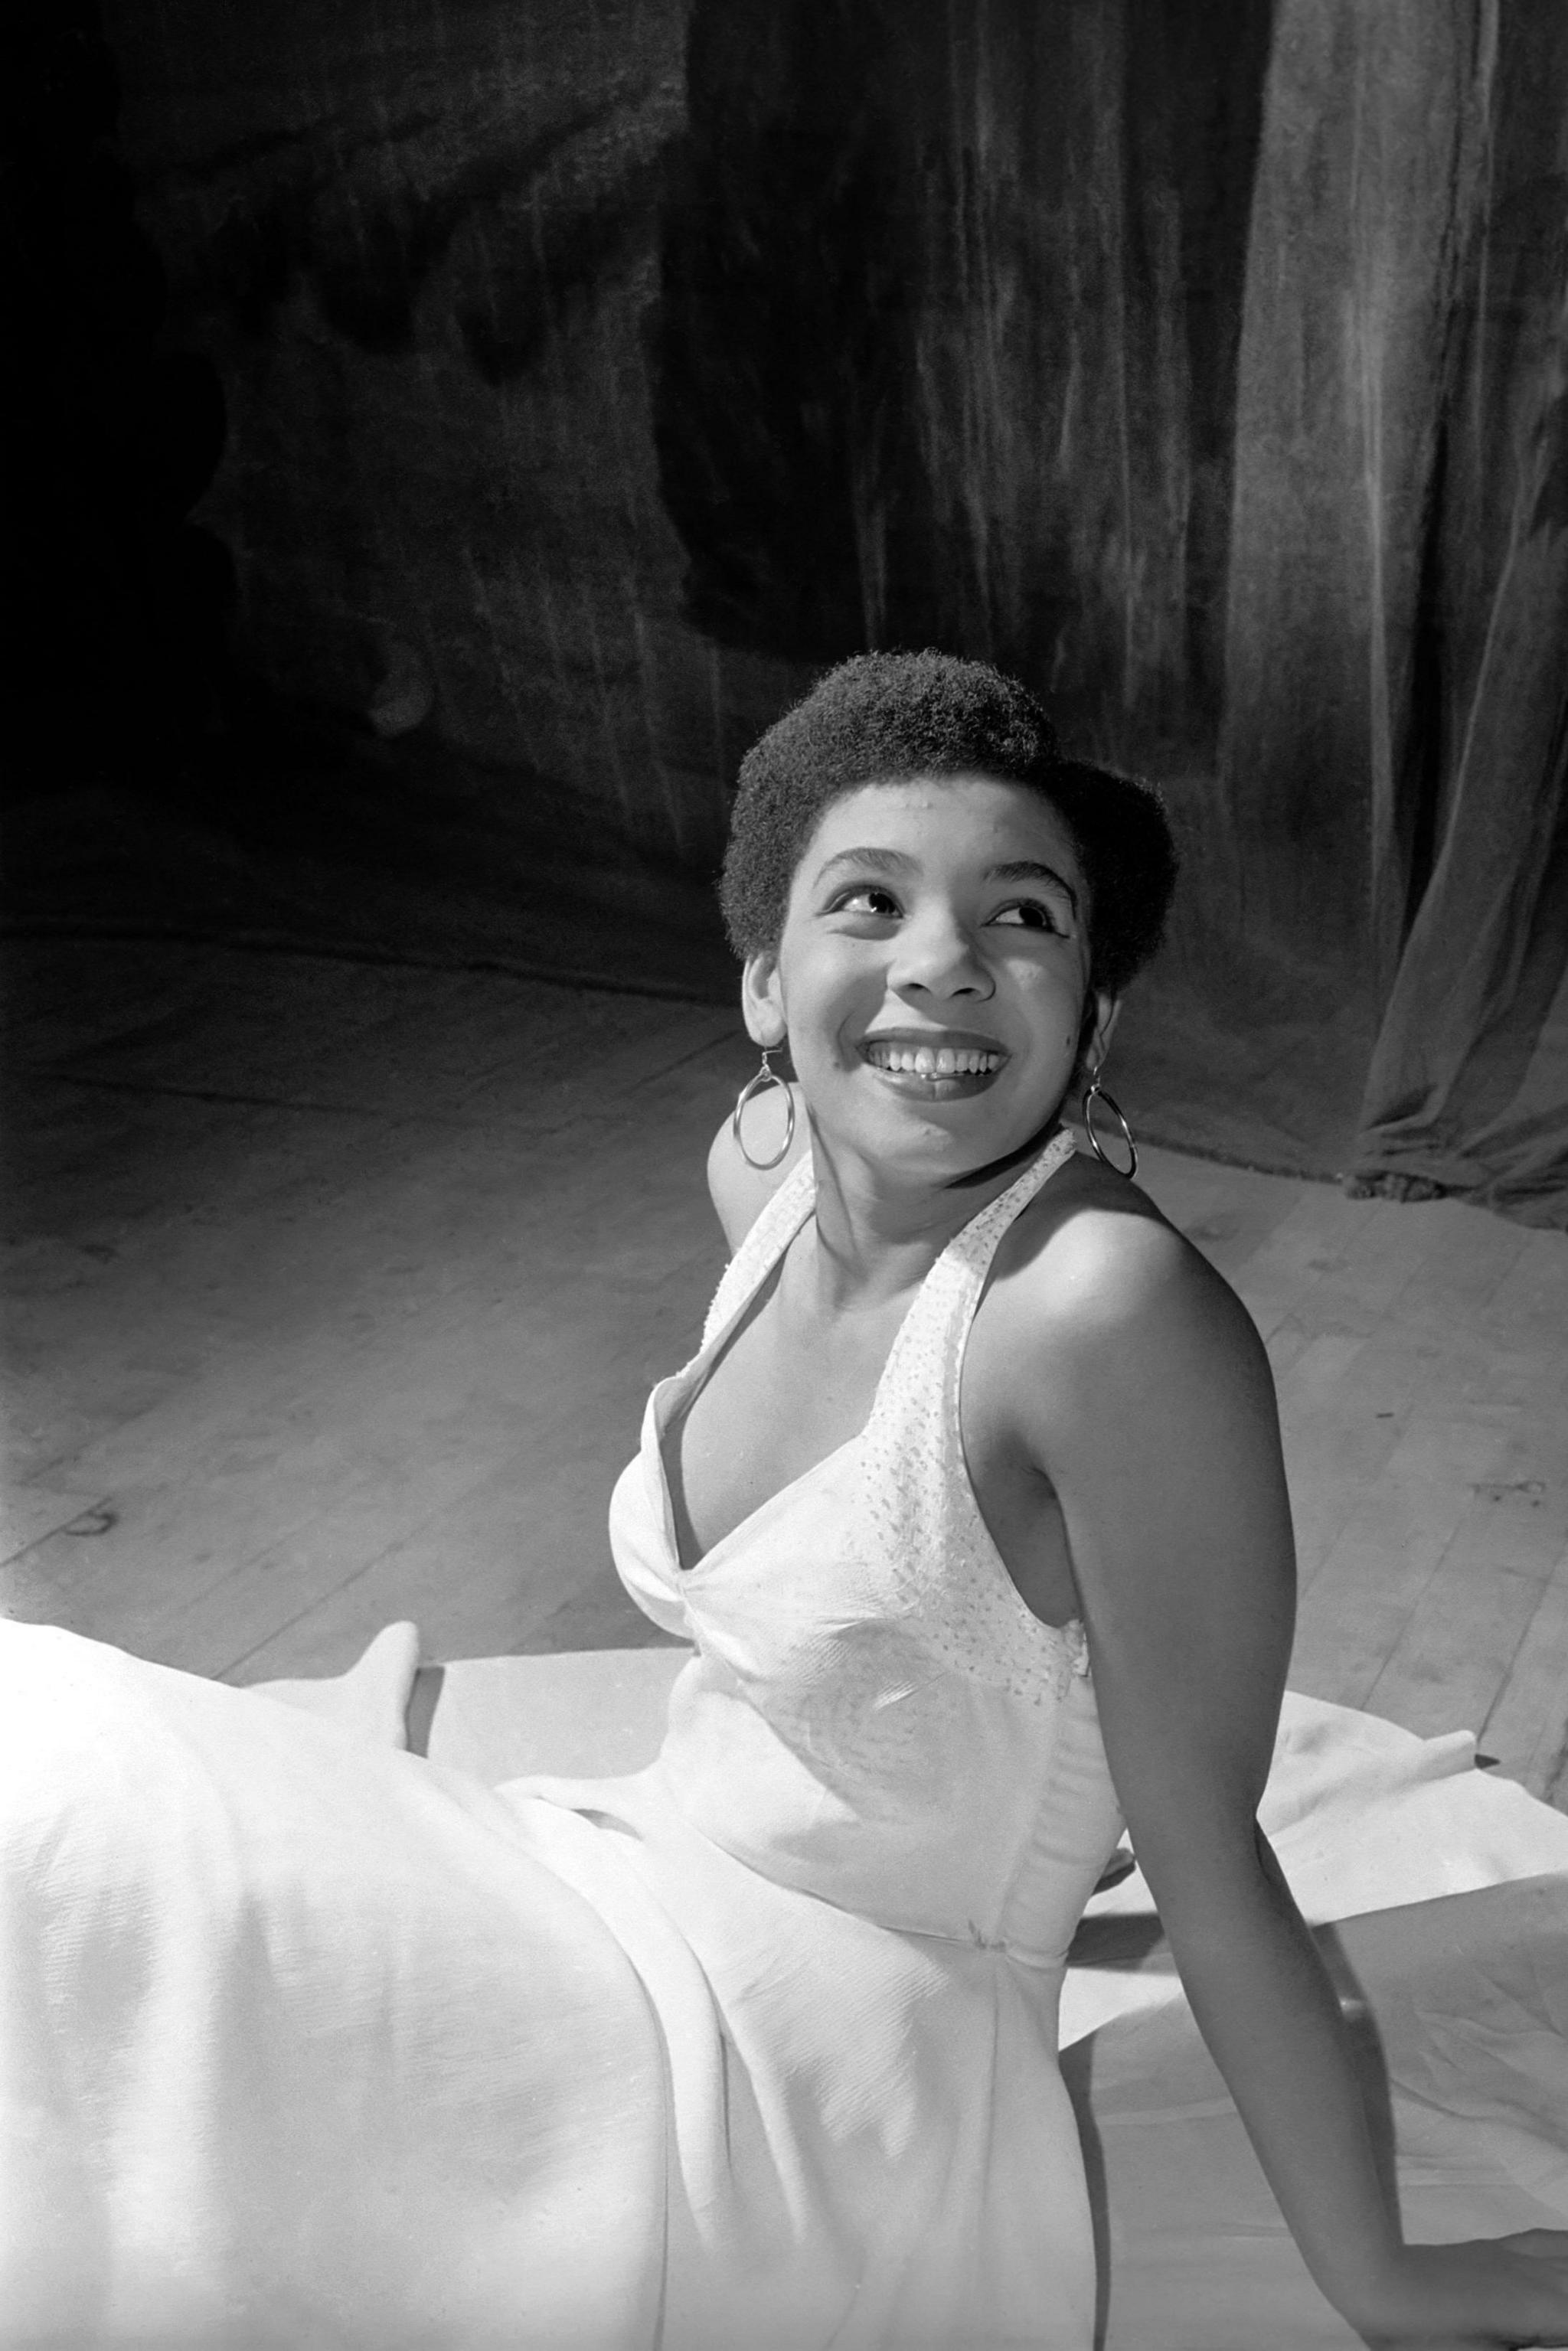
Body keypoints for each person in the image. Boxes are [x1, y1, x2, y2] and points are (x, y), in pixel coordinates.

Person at [2, 649, 1566, 2350]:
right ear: (764, 982)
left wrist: (1385, 2279)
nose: (941, 966)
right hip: (597, 1882)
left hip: (797, 2080)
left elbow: (1214, 1870)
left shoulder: (1102, 1320)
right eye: (869, 901)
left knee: (74, 1821)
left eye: (1023, 918)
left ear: (1097, 1008)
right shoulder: (759, 1178)